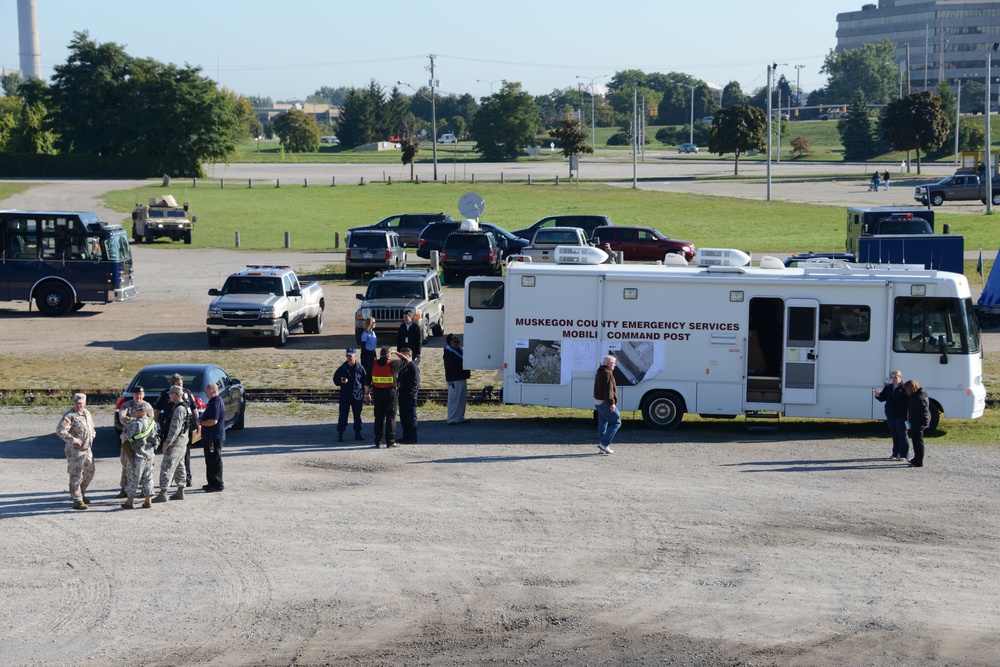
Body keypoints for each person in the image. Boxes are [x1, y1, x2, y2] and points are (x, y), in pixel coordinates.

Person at [154, 373, 197, 487]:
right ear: (172, 385)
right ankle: (173, 480)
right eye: (178, 384)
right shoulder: (165, 394)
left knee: (184, 455)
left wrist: (198, 424)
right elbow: (157, 410)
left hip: (183, 431)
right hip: (169, 428)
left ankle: (186, 478)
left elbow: (194, 408)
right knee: (171, 457)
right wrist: (154, 423)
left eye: (181, 384)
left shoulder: (187, 393)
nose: (181, 386)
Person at [56, 393, 96, 510]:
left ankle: (81, 493)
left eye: (81, 403)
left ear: (85, 403)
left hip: (87, 449)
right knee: (76, 474)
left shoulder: (87, 413)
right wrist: (73, 439)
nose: (78, 405)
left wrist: (92, 435)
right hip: (75, 451)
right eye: (76, 403)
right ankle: (77, 499)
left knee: (90, 471)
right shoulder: (70, 416)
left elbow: (91, 427)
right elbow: (60, 430)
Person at [153, 386, 191, 503]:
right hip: (182, 441)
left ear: (175, 394)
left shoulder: (179, 409)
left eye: (170, 394)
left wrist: (167, 443)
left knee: (167, 466)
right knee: (180, 465)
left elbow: (175, 428)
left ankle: (163, 492)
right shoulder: (185, 407)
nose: (169, 396)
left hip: (176, 442)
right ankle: (180, 490)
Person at [116, 386, 153, 498]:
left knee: (143, 465)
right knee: (126, 464)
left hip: (142, 442)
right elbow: (122, 419)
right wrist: (138, 420)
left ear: (144, 394)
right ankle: (125, 488)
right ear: (133, 394)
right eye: (136, 394)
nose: (139, 396)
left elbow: (151, 420)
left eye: (141, 394)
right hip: (128, 441)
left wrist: (135, 421)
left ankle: (143, 490)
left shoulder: (147, 406)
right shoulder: (127, 405)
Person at [120, 403, 157, 509]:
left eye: (135, 411)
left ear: (142, 412)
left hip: (137, 455)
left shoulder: (136, 424)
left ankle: (130, 501)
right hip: (149, 454)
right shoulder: (152, 423)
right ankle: (148, 500)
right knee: (148, 477)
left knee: (133, 478)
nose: (133, 413)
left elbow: (124, 436)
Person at [369, 346, 404, 448]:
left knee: (378, 418)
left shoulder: (373, 364)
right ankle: (390, 441)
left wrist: (367, 393)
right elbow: (406, 360)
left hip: (377, 394)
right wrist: (396, 352)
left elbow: (367, 380)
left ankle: (378, 441)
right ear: (389, 355)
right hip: (390, 394)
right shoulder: (393, 364)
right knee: (390, 418)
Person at [333, 347, 367, 442]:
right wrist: (341, 381)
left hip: (357, 395)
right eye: (348, 356)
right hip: (345, 396)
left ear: (355, 356)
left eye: (351, 356)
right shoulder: (342, 368)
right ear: (346, 356)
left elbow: (365, 381)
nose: (350, 358)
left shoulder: (360, 368)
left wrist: (365, 393)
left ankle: (358, 433)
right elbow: (335, 380)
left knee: (357, 416)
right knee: (343, 415)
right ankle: (341, 434)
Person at [873, 370, 909, 461]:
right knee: (895, 435)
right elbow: (882, 398)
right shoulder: (888, 388)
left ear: (900, 378)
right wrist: (878, 395)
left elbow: (909, 402)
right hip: (890, 414)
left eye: (895, 377)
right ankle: (895, 453)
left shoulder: (905, 388)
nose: (893, 379)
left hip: (902, 415)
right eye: (892, 377)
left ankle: (904, 455)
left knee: (902, 435)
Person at [198, 382, 226, 491]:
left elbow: (213, 421)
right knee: (210, 460)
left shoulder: (215, 403)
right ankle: (211, 483)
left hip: (213, 437)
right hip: (211, 436)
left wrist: (201, 423)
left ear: (213, 391)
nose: (205, 393)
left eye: (207, 391)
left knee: (214, 460)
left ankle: (217, 484)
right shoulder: (213, 402)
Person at [594, 355, 621, 455]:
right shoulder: (607, 374)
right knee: (617, 422)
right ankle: (604, 444)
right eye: (614, 363)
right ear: (609, 363)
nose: (615, 365)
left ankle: (603, 447)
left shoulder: (599, 372)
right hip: (605, 403)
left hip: (598, 402)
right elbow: (608, 391)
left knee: (603, 422)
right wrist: (612, 403)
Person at [443, 333, 470, 425]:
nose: (457, 338)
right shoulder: (448, 352)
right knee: (453, 399)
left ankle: (460, 417)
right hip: (454, 379)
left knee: (462, 399)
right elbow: (451, 365)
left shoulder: (460, 349)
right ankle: (451, 419)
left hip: (462, 377)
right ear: (451, 341)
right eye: (455, 338)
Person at [396, 347, 420, 443]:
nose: (402, 359)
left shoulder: (413, 367)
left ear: (410, 356)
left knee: (410, 417)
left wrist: (402, 384)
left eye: (404, 356)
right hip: (402, 394)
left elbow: (415, 383)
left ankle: (412, 437)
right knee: (403, 417)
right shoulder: (403, 367)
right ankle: (405, 436)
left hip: (410, 395)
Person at [904, 379, 930, 467]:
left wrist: (925, 422)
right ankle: (916, 458)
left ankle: (919, 461)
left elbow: (924, 411)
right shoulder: (915, 395)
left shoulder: (918, 398)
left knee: (918, 442)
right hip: (914, 421)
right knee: (915, 441)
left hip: (918, 423)